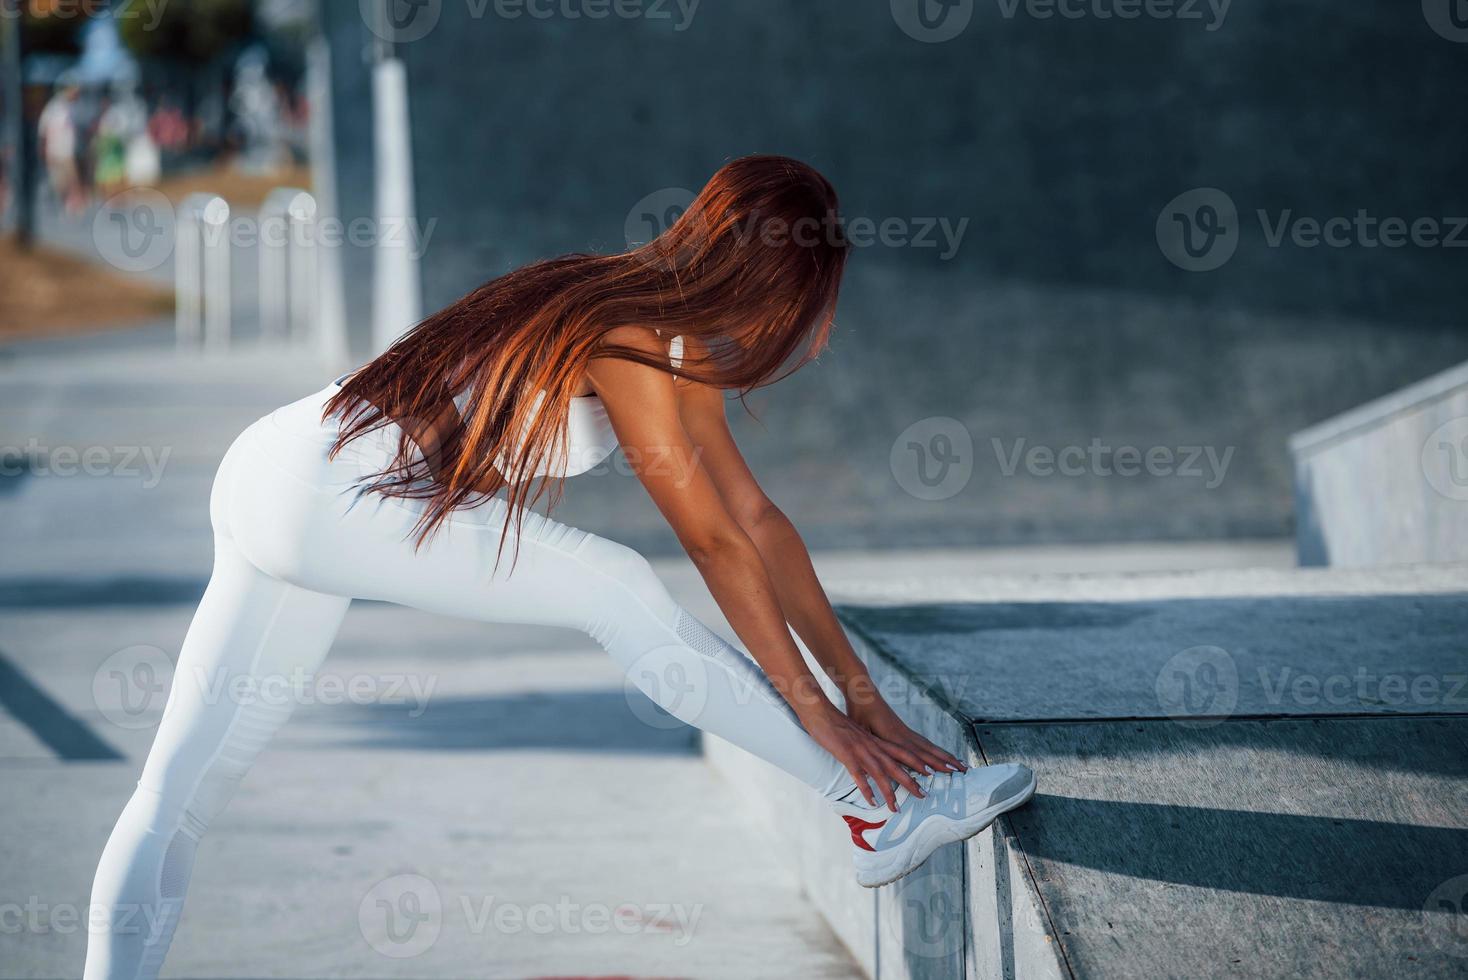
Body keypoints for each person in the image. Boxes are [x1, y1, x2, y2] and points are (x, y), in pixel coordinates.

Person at [83, 155, 1036, 979]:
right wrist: (821, 720)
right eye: (794, 294)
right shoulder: (634, 338)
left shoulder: (649, 321)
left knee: (174, 798)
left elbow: (756, 521)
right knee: (616, 585)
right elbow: (708, 543)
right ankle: (872, 813)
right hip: (328, 489)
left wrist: (861, 697)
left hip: (276, 468)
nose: (786, 324)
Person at [38, 83, 83, 214]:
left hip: (67, 152)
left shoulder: (69, 107)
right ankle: (65, 205)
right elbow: (44, 130)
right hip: (56, 152)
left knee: (71, 179)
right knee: (60, 181)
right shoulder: (54, 108)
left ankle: (72, 205)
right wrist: (45, 150)